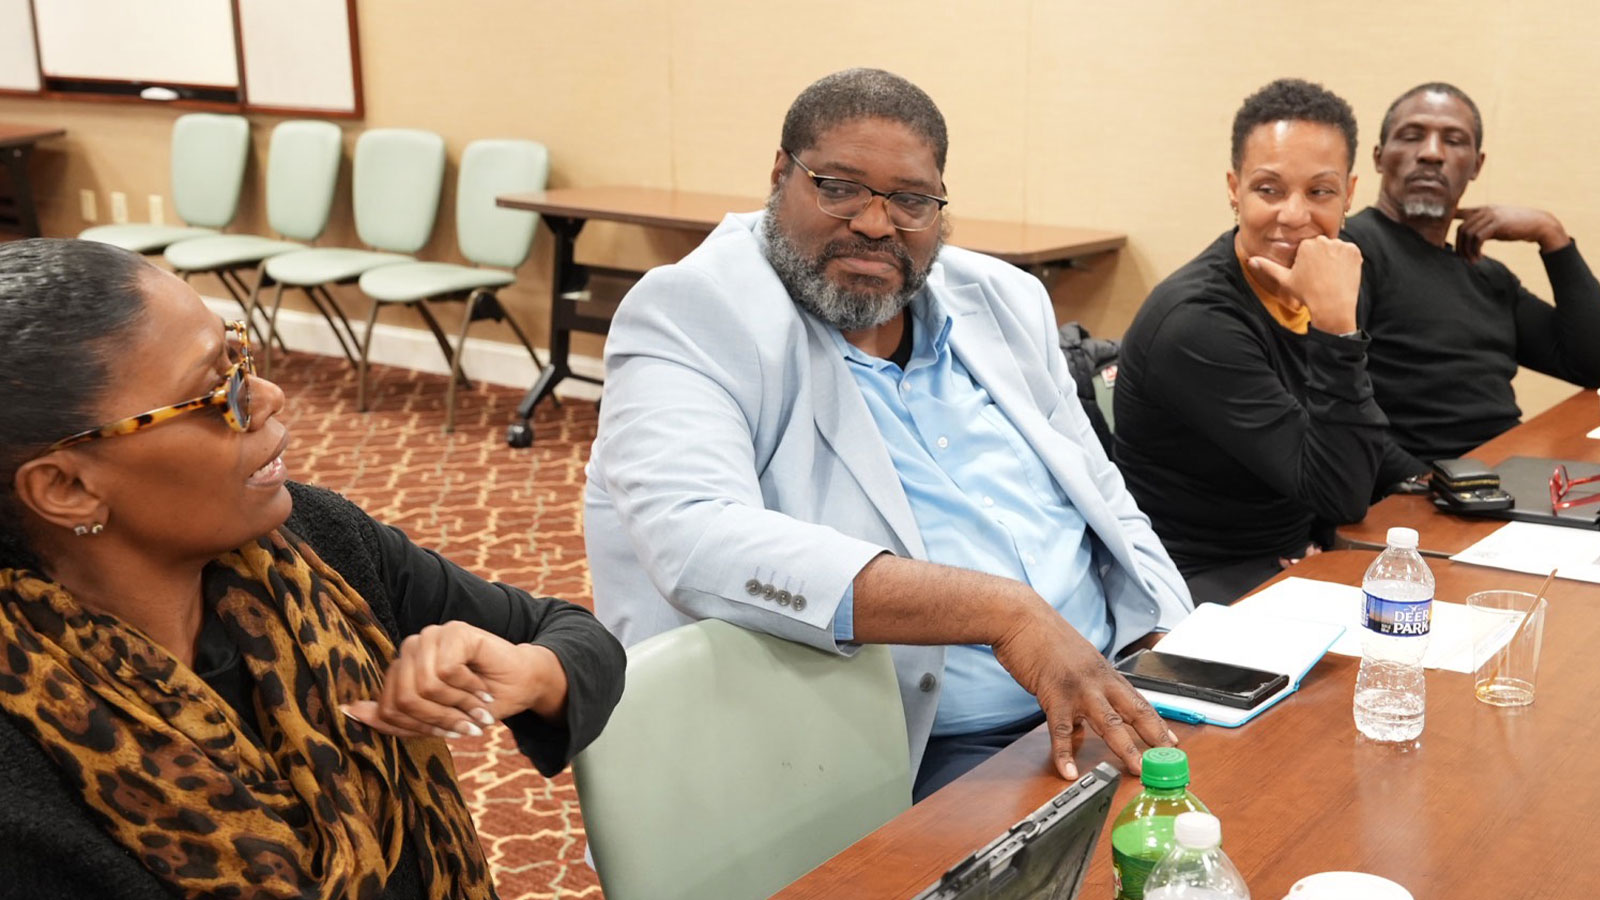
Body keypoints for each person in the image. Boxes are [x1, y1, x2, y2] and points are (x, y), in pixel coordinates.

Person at [584, 68, 1192, 802]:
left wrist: (1172, 640)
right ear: (781, 175)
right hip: (906, 747)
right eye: (838, 187)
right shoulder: (691, 310)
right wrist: (1005, 612)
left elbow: (1099, 491)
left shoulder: (1003, 298)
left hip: (1110, 685)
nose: (876, 224)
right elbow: (695, 539)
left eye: (909, 200)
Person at [0, 239, 626, 899]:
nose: (265, 395)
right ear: (67, 488)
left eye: (238, 356)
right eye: (215, 390)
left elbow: (576, 639)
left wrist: (530, 673)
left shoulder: (316, 542)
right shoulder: (23, 781)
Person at [1114, 78, 1388, 607]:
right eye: (1269, 189)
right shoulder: (1196, 324)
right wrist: (1335, 325)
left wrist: (1422, 477)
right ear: (1233, 188)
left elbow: (1361, 427)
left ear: (1349, 194)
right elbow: (1342, 490)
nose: (1293, 215)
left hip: (1296, 552)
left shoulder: (1328, 270)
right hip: (1193, 581)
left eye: (1320, 191)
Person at [1347, 82, 1600, 486]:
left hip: (1502, 477)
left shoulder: (1485, 273)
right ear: (1379, 158)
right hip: (1417, 493)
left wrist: (1551, 235)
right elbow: (1333, 405)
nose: (1431, 153)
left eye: (1454, 140)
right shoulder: (1351, 251)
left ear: (1477, 165)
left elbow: (1591, 363)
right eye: (1412, 136)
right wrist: (1423, 482)